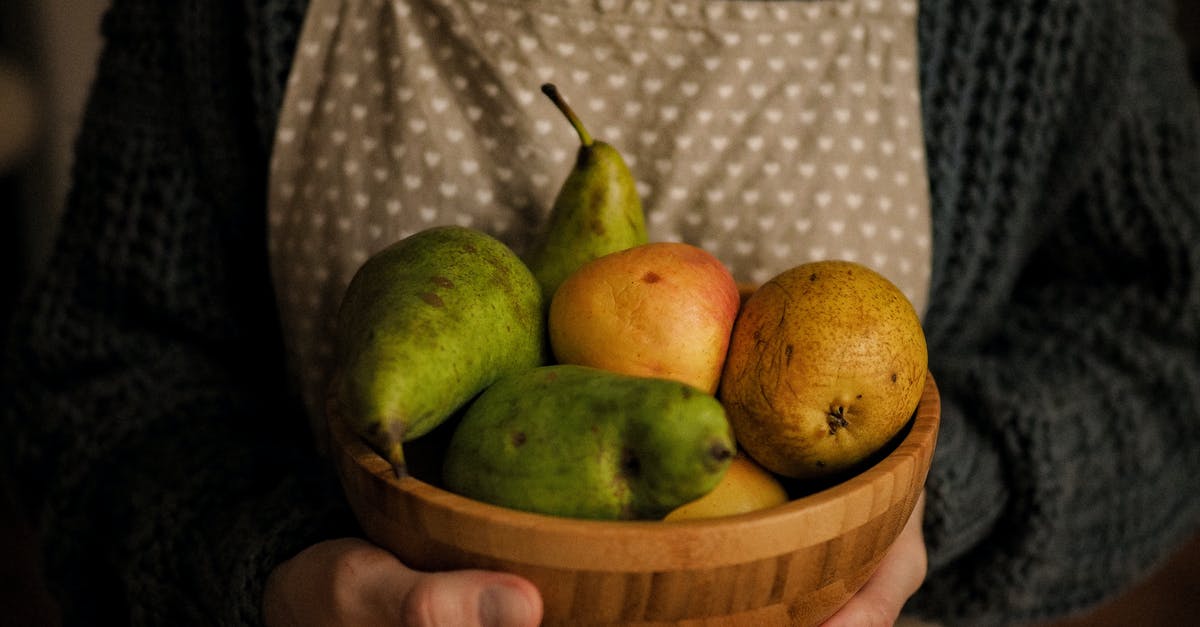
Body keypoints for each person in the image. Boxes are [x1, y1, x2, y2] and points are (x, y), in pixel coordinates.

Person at [3, 0, 1199, 625]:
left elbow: (1170, 338)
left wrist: (925, 509)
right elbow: (101, 387)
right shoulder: (225, 16)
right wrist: (271, 579)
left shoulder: (1035, 22)